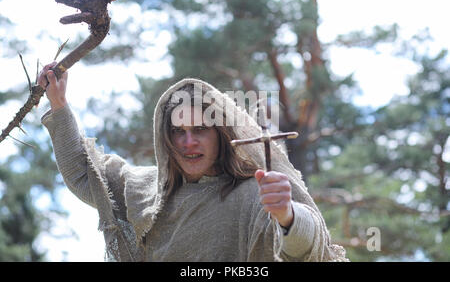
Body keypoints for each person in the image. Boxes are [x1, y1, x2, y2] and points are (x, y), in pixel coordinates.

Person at [38, 62, 348, 262]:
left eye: (200, 130)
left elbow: (310, 253)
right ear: (165, 137)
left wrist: (287, 215)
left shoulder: (253, 194)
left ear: (221, 134)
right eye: (178, 131)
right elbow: (85, 172)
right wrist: (59, 104)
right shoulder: (144, 191)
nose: (188, 142)